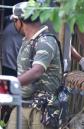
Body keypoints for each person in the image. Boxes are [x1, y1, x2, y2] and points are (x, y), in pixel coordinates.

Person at [7, 1, 62, 129]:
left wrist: (10, 84)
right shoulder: (27, 40)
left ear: (19, 21)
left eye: (14, 21)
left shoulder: (45, 41)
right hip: (23, 103)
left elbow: (37, 70)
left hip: (43, 108)